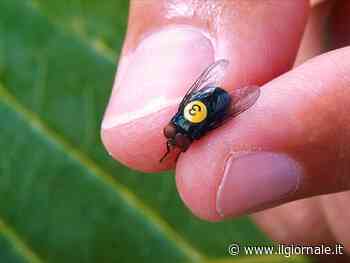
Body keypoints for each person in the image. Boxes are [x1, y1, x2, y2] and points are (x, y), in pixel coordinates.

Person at [101, 0, 350, 255]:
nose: (175, 142)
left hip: (220, 102)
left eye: (175, 138)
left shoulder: (189, 128)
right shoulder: (182, 122)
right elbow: (197, 93)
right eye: (178, 141)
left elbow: (217, 112)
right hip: (212, 99)